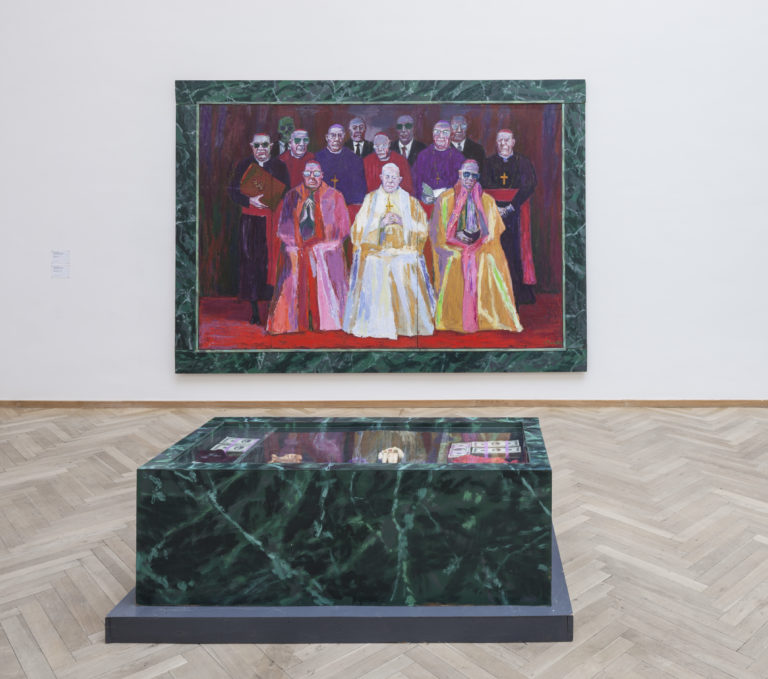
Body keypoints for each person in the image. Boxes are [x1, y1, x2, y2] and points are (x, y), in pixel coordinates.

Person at [429, 159, 523, 333]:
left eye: (474, 176)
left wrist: (478, 240)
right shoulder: (446, 198)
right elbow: (439, 232)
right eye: (466, 174)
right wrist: (457, 237)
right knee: (455, 259)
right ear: (459, 174)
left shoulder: (487, 200)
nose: (470, 179)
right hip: (452, 245)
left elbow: (494, 231)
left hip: (481, 245)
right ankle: (453, 318)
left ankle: (489, 317)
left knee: (489, 259)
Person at [344, 163, 435, 339]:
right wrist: (380, 224)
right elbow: (358, 230)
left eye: (394, 177)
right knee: (375, 263)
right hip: (376, 251)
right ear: (381, 178)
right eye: (387, 177)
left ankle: (405, 324)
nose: (391, 181)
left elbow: (423, 229)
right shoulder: (371, 199)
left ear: (400, 179)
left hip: (403, 250)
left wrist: (402, 222)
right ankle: (377, 325)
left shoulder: (410, 201)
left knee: (405, 262)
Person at [267, 161, 350, 334]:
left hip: (325, 246)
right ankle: (293, 321)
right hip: (299, 246)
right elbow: (284, 227)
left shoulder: (335, 196)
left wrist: (326, 244)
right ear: (303, 175)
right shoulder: (292, 195)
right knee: (292, 258)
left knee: (323, 257)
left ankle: (327, 320)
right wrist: (293, 243)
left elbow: (343, 228)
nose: (312, 177)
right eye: (308, 174)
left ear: (322, 175)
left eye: (316, 174)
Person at [227, 133, 290, 325]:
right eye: (257, 145)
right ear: (251, 146)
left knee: (272, 262)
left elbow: (286, 191)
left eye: (264, 145)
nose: (261, 149)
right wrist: (249, 200)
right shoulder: (244, 165)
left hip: (273, 221)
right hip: (251, 221)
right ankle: (254, 310)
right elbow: (232, 190)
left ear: (271, 146)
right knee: (251, 263)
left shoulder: (279, 166)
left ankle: (272, 308)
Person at [481, 129, 537, 304]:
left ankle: (517, 294)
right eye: (500, 140)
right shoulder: (488, 163)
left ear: (513, 142)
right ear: (496, 143)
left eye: (507, 140)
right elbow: (484, 185)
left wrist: (511, 206)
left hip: (517, 213)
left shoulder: (523, 162)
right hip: (494, 212)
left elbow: (529, 185)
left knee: (516, 252)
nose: (503, 143)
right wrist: (496, 207)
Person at [411, 120, 465, 203]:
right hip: (426, 203)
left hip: (450, 202)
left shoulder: (458, 157)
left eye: (445, 132)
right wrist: (422, 196)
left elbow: (462, 184)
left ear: (451, 135)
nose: (440, 136)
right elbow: (416, 181)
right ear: (433, 135)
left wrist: (447, 194)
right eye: (437, 132)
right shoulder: (423, 155)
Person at [314, 124, 367, 204]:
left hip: (347, 205)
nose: (336, 139)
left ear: (344, 137)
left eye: (340, 135)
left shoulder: (354, 159)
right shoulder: (317, 158)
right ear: (327, 137)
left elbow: (359, 190)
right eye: (333, 135)